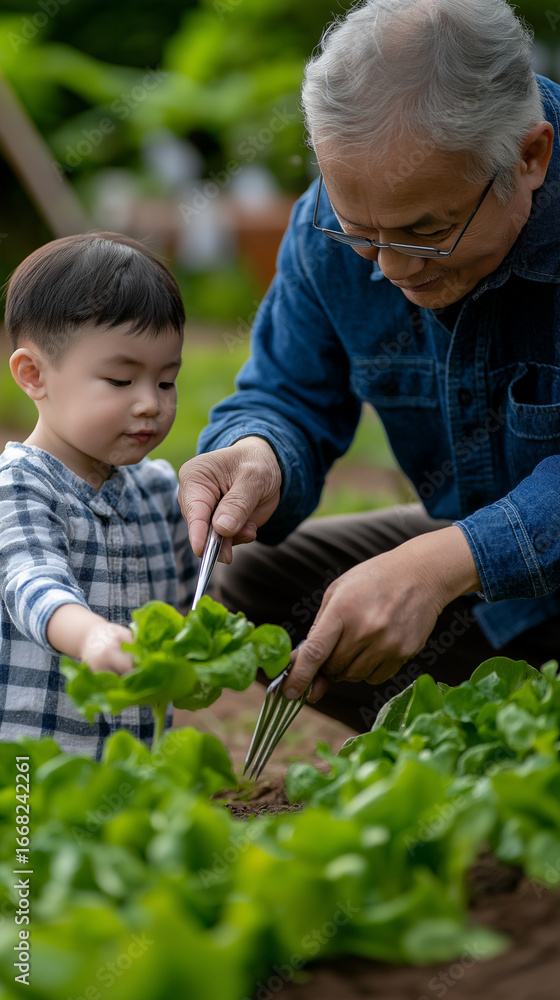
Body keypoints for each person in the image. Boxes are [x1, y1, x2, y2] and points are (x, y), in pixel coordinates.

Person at [178, 0, 560, 732]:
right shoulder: (332, 222)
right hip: (499, 598)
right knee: (259, 586)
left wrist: (443, 564)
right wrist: (259, 454)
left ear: (530, 156)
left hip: (500, 564)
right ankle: (488, 738)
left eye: (426, 232)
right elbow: (288, 392)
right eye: (359, 231)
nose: (387, 269)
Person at [0, 232, 198, 758]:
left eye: (165, 382)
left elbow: (189, 602)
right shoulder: (20, 485)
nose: (148, 405)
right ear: (33, 374)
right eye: (119, 380)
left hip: (135, 764)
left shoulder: (158, 491)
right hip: (35, 769)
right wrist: (90, 636)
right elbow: (31, 581)